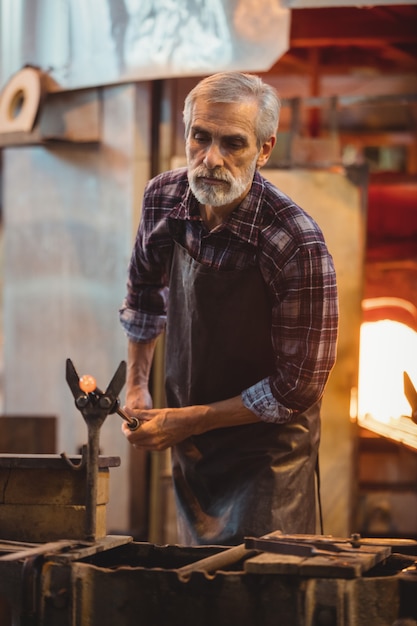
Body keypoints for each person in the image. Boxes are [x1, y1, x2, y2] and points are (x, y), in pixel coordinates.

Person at [119, 71, 338, 546]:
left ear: (264, 149)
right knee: (200, 591)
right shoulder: (164, 198)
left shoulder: (294, 239)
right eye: (201, 137)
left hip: (269, 456)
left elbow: (297, 387)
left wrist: (192, 418)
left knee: (266, 597)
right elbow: (144, 294)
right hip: (194, 446)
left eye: (233, 144)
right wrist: (138, 385)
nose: (211, 159)